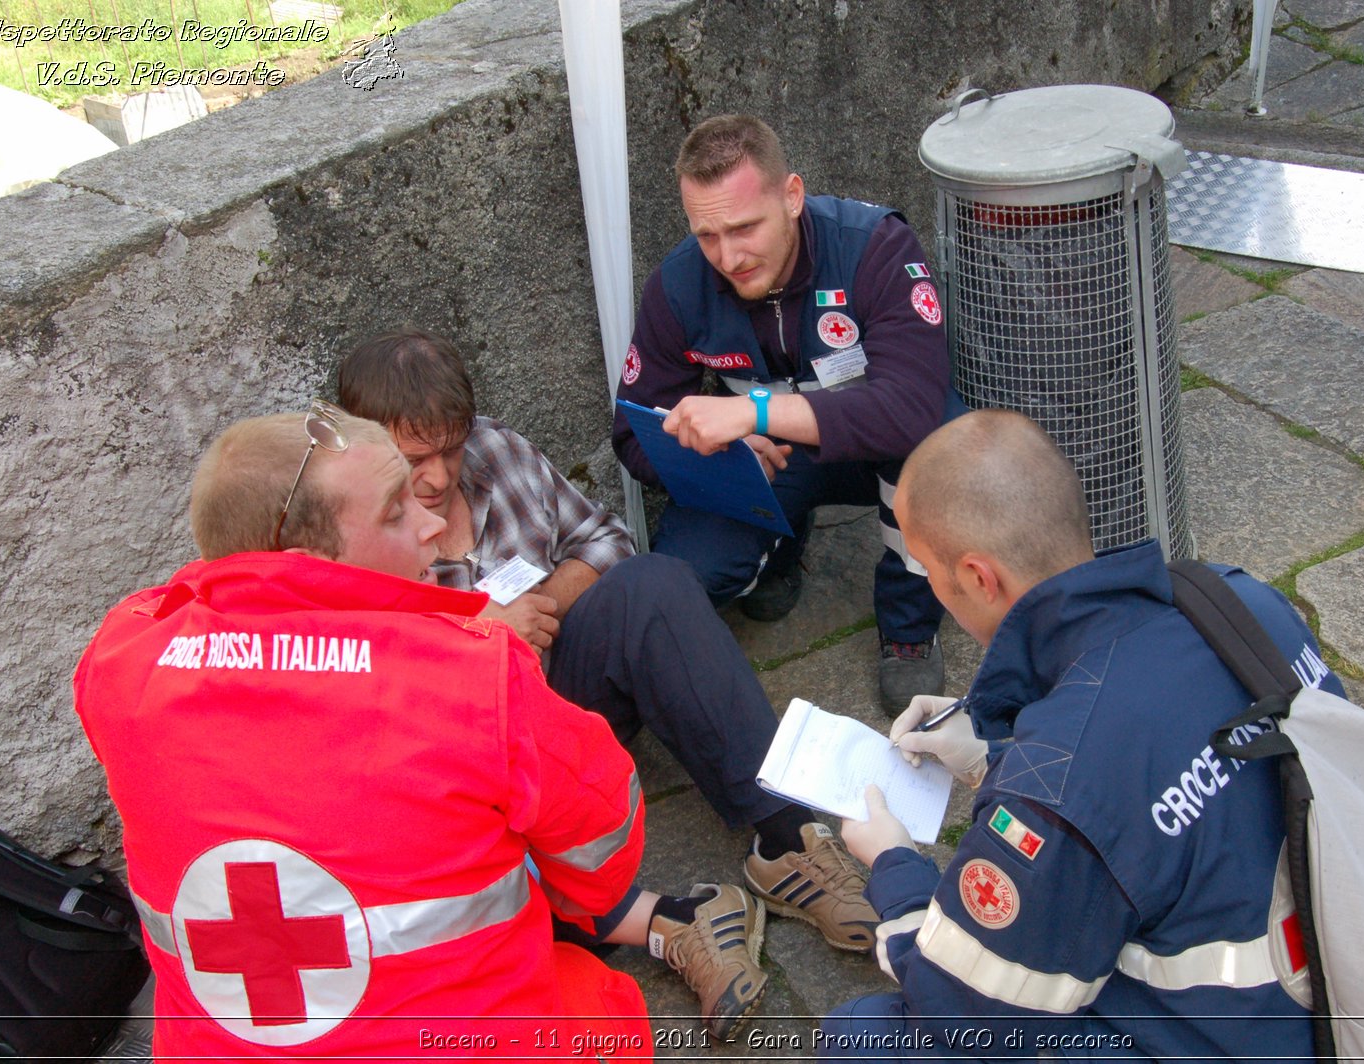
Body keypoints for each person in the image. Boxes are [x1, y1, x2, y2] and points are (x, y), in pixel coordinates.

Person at [336, 329, 879, 1036]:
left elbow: (606, 543)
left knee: (652, 584)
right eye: (415, 459)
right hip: (468, 752)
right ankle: (676, 924)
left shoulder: (496, 451)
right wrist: (480, 634)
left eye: (450, 446)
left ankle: (785, 837)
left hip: (558, 687)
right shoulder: (349, 532)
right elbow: (369, 694)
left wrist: (542, 611)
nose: (438, 475)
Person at [71, 406, 651, 1057]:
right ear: (309, 558)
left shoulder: (119, 660)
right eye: (395, 511)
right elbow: (599, 857)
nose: (433, 523)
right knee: (606, 1016)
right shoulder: (472, 677)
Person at [823, 411, 1347, 1061]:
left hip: (1230, 1039)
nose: (929, 586)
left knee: (864, 1037)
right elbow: (1154, 757)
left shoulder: (1060, 784)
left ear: (979, 578)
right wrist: (996, 753)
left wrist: (893, 863)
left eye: (927, 568)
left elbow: (963, 1000)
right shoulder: (1239, 602)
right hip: (1348, 974)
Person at [613, 114, 957, 709]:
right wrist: (721, 455)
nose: (729, 255)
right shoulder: (675, 286)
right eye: (707, 235)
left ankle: (909, 622)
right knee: (686, 575)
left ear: (792, 196)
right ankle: (781, 546)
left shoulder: (875, 244)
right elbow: (632, 431)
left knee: (943, 448)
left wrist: (756, 413)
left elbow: (913, 407)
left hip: (879, 443)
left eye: (746, 227)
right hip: (774, 458)